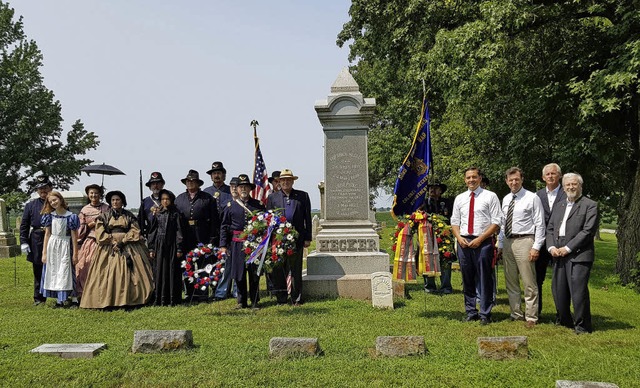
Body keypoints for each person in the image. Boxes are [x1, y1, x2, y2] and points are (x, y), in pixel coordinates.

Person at [80, 191, 154, 309]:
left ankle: (131, 299)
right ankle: (107, 300)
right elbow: (100, 233)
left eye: (118, 200)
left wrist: (123, 241)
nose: (115, 202)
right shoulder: (104, 216)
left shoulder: (129, 215)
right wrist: (112, 242)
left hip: (128, 245)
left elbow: (135, 230)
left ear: (122, 201)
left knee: (132, 273)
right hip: (109, 248)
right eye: (113, 200)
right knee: (106, 273)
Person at [546, 173, 598, 334]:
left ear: (580, 186)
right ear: (563, 187)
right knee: (559, 290)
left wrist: (568, 248)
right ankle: (564, 320)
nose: (571, 187)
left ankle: (582, 326)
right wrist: (551, 247)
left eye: (574, 184)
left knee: (578, 291)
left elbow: (588, 232)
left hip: (579, 255)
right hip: (558, 253)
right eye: (567, 185)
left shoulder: (590, 205)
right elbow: (550, 229)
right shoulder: (559, 205)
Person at [451, 167, 502, 325]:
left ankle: (485, 313)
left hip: (483, 241)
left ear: (480, 178)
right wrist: (459, 238)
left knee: (484, 277)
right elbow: (454, 221)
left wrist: (480, 239)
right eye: (468, 177)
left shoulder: (490, 196)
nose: (471, 180)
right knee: (467, 278)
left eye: (474, 177)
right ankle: (471, 311)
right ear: (465, 180)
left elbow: (496, 221)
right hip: (464, 242)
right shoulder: (460, 198)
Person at [497, 167, 545, 328]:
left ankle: (531, 316)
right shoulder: (505, 199)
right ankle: (516, 313)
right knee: (511, 280)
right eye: (510, 180)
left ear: (522, 179)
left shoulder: (532, 198)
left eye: (516, 179)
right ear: (506, 181)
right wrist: (501, 244)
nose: (514, 182)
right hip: (509, 242)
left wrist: (536, 247)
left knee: (528, 281)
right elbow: (503, 224)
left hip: (525, 240)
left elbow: (540, 223)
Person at [266, 168, 312, 306]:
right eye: (283, 180)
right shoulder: (272, 198)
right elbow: (268, 219)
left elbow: (307, 218)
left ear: (293, 181)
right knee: (279, 269)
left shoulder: (302, 196)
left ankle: (296, 298)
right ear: (279, 182)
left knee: (295, 269)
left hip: (297, 238)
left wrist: (308, 237)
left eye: (289, 180)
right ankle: (281, 298)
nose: (286, 182)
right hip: (278, 239)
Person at [220, 174, 265, 309]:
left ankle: (255, 300)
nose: (243, 189)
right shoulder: (230, 206)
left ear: (250, 189)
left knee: (253, 273)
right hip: (237, 243)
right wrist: (223, 245)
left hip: (254, 244)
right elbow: (224, 226)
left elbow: (264, 224)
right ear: (237, 189)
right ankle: (241, 301)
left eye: (246, 186)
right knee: (239, 274)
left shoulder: (258, 205)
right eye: (241, 187)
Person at [175, 170, 220, 301]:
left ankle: (202, 292)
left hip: (203, 235)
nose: (190, 184)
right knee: (187, 264)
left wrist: (212, 238)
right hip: (186, 236)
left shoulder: (207, 198)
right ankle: (189, 291)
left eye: (193, 181)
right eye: (188, 181)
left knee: (203, 264)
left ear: (198, 183)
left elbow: (214, 220)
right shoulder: (179, 199)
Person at [40, 191, 80, 308]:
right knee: (55, 271)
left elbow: (74, 236)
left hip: (66, 245)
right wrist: (44, 253)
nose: (53, 203)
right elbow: (47, 234)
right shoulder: (49, 216)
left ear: (61, 199)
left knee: (66, 271)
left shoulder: (71, 217)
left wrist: (75, 254)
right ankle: (59, 300)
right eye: (51, 201)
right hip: (52, 246)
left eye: (55, 200)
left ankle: (73, 299)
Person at [535, 163, 565, 317]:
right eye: (548, 174)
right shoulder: (537, 195)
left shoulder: (567, 193)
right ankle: (536, 312)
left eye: (554, 174)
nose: (551, 176)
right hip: (541, 242)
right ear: (543, 177)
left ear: (559, 176)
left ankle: (562, 314)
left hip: (561, 243)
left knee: (560, 280)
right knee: (537, 278)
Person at [20, 174, 53, 305]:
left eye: (45, 188)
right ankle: (39, 298)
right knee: (38, 269)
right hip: (37, 239)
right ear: (37, 190)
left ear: (51, 187)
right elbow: (24, 225)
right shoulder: (31, 205)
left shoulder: (57, 202)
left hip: (55, 238)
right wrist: (23, 241)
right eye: (40, 189)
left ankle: (60, 296)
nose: (43, 191)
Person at [148, 189, 184, 306]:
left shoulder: (176, 213)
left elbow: (179, 231)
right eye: (163, 199)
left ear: (171, 200)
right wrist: (152, 248)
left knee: (172, 270)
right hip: (159, 245)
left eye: (167, 199)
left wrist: (179, 247)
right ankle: (160, 299)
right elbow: (152, 231)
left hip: (172, 244)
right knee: (159, 271)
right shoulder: (157, 213)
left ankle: (173, 299)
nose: (165, 201)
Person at [76, 184, 110, 301]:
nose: (94, 195)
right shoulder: (84, 210)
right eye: (91, 193)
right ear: (88, 194)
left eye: (96, 193)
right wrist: (90, 225)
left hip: (105, 241)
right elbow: (79, 229)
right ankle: (86, 293)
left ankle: (103, 293)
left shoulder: (107, 208)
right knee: (87, 265)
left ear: (100, 194)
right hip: (91, 241)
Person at [421, 182, 454, 294]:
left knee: (445, 259)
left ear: (440, 191)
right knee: (427, 259)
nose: (432, 190)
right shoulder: (423, 203)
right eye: (430, 188)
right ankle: (429, 286)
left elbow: (452, 217)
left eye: (435, 188)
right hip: (427, 235)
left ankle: (446, 286)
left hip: (444, 235)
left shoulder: (448, 203)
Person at [138, 172, 166, 239]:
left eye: (158, 183)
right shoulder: (145, 202)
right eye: (153, 184)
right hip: (151, 235)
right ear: (150, 187)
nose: (155, 186)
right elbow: (140, 220)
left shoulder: (168, 199)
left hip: (166, 234)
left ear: (162, 185)